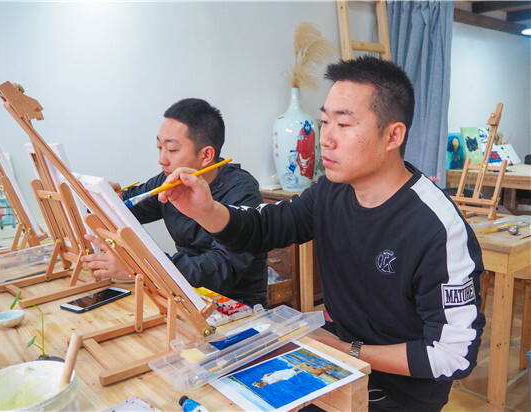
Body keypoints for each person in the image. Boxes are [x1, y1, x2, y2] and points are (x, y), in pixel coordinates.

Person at [158, 56, 485, 411]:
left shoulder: (436, 229)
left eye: (343, 124)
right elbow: (267, 226)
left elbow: (454, 355)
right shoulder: (332, 190)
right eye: (325, 121)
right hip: (333, 365)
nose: (325, 138)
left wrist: (347, 350)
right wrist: (205, 210)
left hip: (397, 395)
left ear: (393, 135)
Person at [81, 98, 268, 307]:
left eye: (171, 150)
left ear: (206, 155)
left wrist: (142, 267)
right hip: (185, 294)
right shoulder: (169, 181)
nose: (162, 159)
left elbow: (221, 268)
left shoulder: (242, 192)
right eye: (159, 147)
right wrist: (106, 199)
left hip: (236, 304)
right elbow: (126, 210)